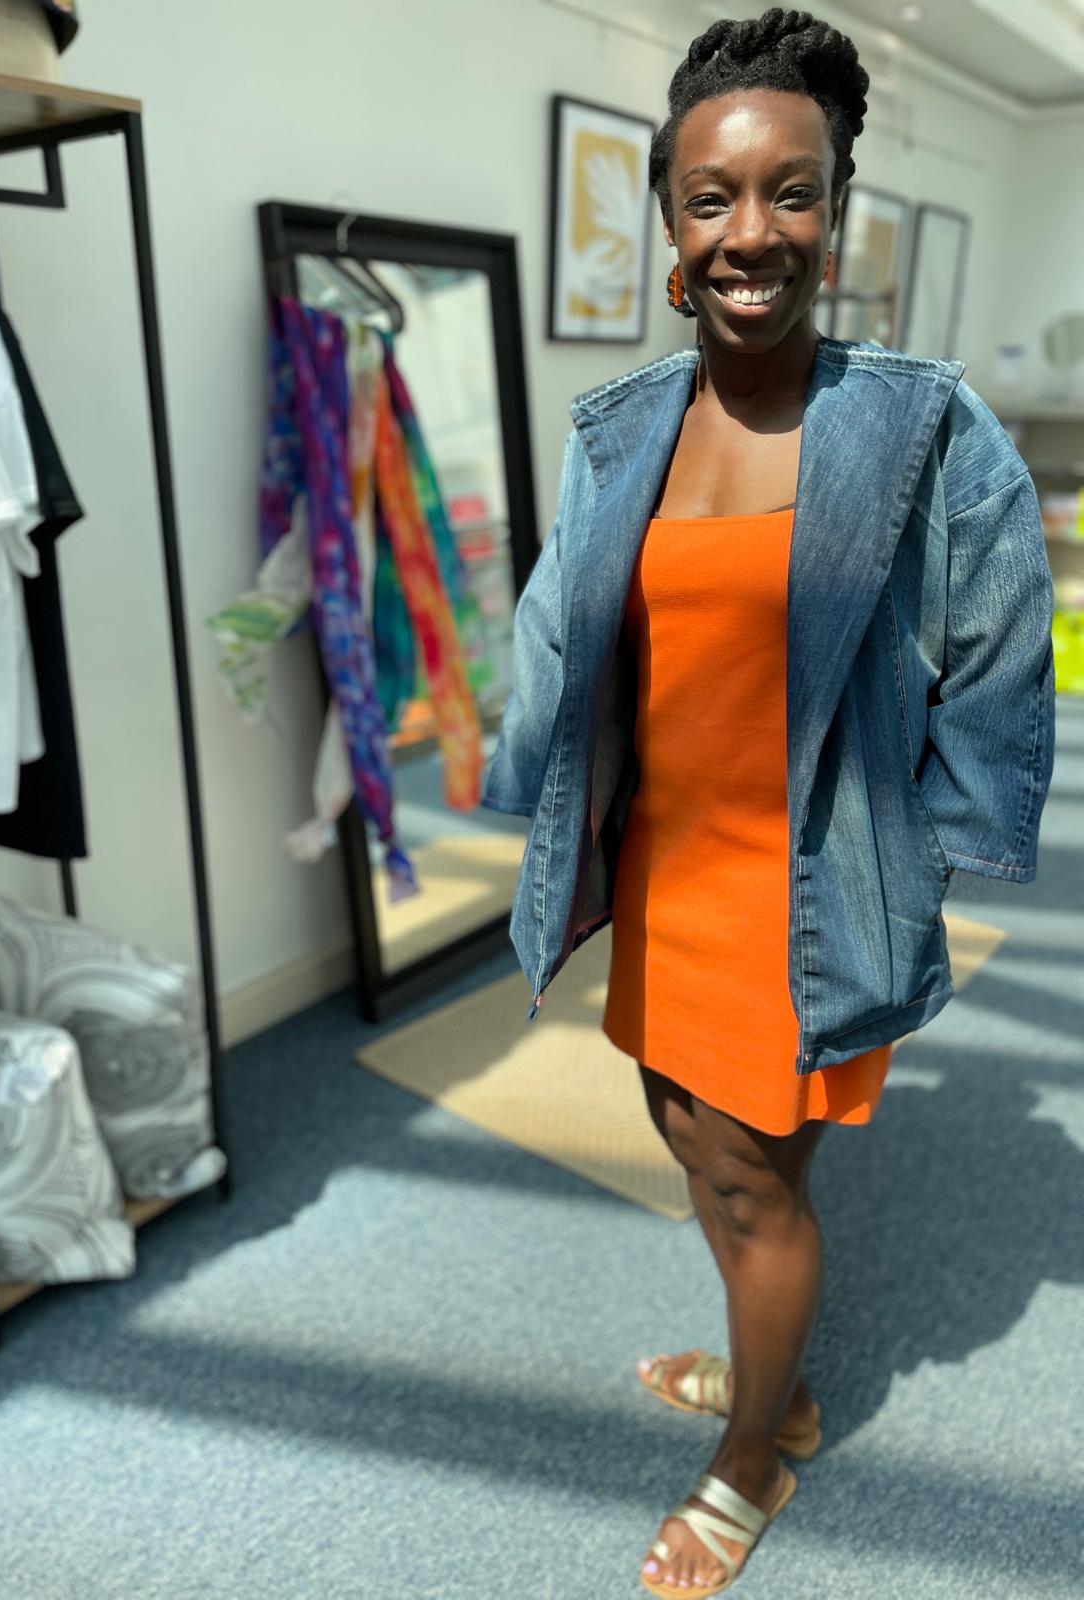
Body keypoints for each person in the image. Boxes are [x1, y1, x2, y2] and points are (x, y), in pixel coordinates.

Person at [481, 7, 1056, 1597]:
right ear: (672, 224)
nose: (753, 232)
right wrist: (533, 799)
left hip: (809, 880)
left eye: (791, 193)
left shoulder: (922, 428)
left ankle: (753, 1457)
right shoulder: (625, 430)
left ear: (835, 210)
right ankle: (778, 1378)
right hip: (665, 869)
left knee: (750, 1175)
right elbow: (560, 632)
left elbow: (1007, 649)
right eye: (713, 196)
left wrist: (925, 857)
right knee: (695, 1136)